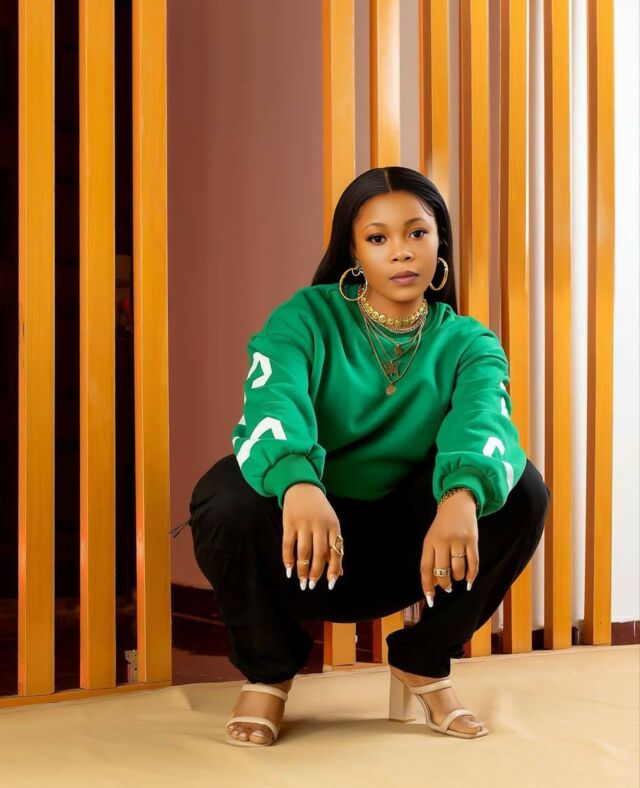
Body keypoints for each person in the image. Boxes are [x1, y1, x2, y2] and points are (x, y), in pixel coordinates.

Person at [180, 166, 550, 746]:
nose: (401, 251)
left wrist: (460, 496)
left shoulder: (469, 342)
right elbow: (272, 404)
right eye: (378, 238)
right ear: (353, 251)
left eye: (417, 233)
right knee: (225, 495)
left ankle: (424, 661)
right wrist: (299, 484)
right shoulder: (305, 318)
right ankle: (267, 674)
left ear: (440, 241)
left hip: (412, 553)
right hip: (302, 547)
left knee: (522, 488)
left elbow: (486, 423)